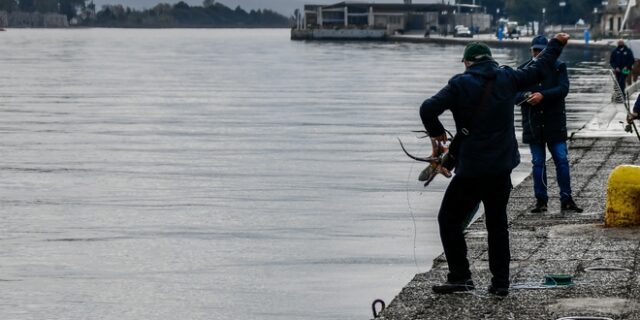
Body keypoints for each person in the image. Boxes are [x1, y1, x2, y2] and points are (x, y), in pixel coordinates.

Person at [419, 33, 570, 296]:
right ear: (490, 59)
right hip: (501, 168)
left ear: (466, 62)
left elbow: (427, 108)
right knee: (497, 224)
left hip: (471, 170)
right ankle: (500, 283)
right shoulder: (508, 77)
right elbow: (540, 67)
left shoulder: (458, 84)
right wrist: (556, 44)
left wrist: (436, 131)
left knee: (448, 219)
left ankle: (461, 277)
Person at [515, 35, 583, 214]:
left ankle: (566, 198)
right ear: (531, 50)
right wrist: (525, 97)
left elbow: (563, 89)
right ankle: (541, 201)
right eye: (535, 50)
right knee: (538, 163)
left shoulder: (559, 67)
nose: (537, 53)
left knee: (562, 160)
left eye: (540, 50)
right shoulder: (523, 70)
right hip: (533, 124)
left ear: (547, 51)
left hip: (554, 123)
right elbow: (514, 95)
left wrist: (543, 95)